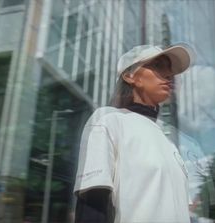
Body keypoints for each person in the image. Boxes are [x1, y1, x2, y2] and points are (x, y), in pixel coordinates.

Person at [74, 44, 194, 223]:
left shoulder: (168, 141)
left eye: (170, 70)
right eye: (159, 66)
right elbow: (93, 205)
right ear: (129, 76)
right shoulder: (108, 120)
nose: (169, 75)